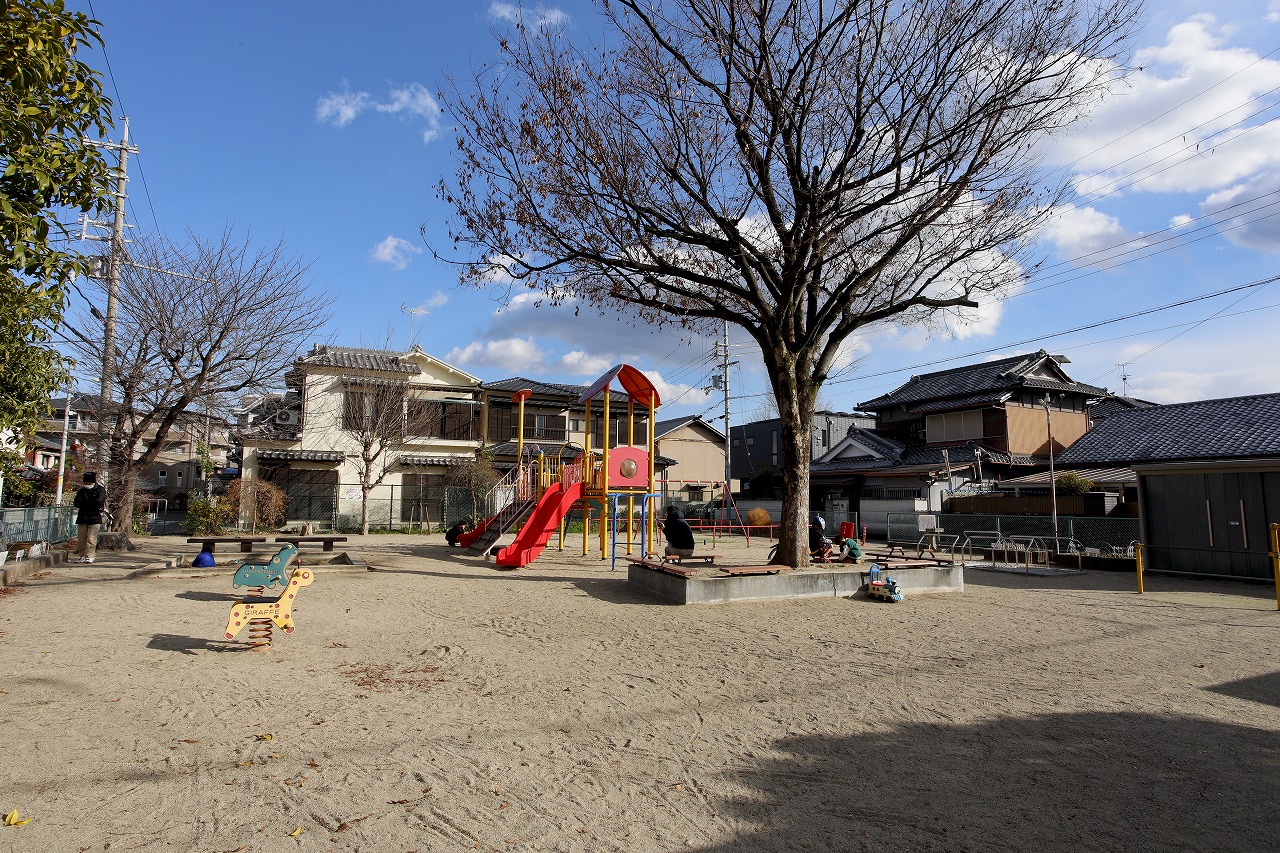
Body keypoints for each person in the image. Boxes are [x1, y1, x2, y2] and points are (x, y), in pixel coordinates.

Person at [73, 471, 107, 564]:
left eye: (89, 483)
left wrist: (87, 501)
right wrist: (90, 502)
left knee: (91, 539)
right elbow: (76, 503)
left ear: (93, 482)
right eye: (86, 483)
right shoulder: (81, 491)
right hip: (82, 517)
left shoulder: (100, 490)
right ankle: (82, 556)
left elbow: (99, 501)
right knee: (81, 539)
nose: (87, 485)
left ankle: (90, 556)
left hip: (95, 517)